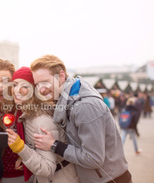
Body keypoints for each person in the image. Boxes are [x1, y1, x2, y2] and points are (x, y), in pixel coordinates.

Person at [32, 55, 132, 183]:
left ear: (61, 76)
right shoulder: (70, 98)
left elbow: (93, 158)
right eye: (37, 84)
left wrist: (54, 145)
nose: (41, 89)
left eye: (45, 82)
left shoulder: (84, 107)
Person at [6, 67, 79, 183]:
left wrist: (21, 148)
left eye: (25, 86)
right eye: (14, 85)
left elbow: (48, 169)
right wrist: (25, 156)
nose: (17, 90)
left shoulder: (41, 120)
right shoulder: (26, 113)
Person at [0, 58, 32, 182]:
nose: (0, 88)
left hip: (26, 177)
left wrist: (26, 155)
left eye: (6, 81)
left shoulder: (25, 108)